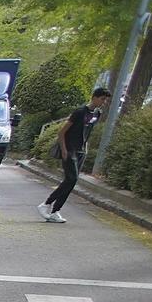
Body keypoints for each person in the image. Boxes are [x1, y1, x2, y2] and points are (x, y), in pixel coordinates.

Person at [40, 86, 110, 223]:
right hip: (70, 149)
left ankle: (55, 211)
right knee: (71, 179)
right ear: (94, 97)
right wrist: (64, 150)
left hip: (81, 150)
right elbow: (62, 132)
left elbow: (87, 132)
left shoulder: (97, 114)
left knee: (71, 181)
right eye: (102, 99)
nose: (104, 102)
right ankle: (46, 204)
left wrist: (86, 147)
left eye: (106, 100)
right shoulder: (79, 112)